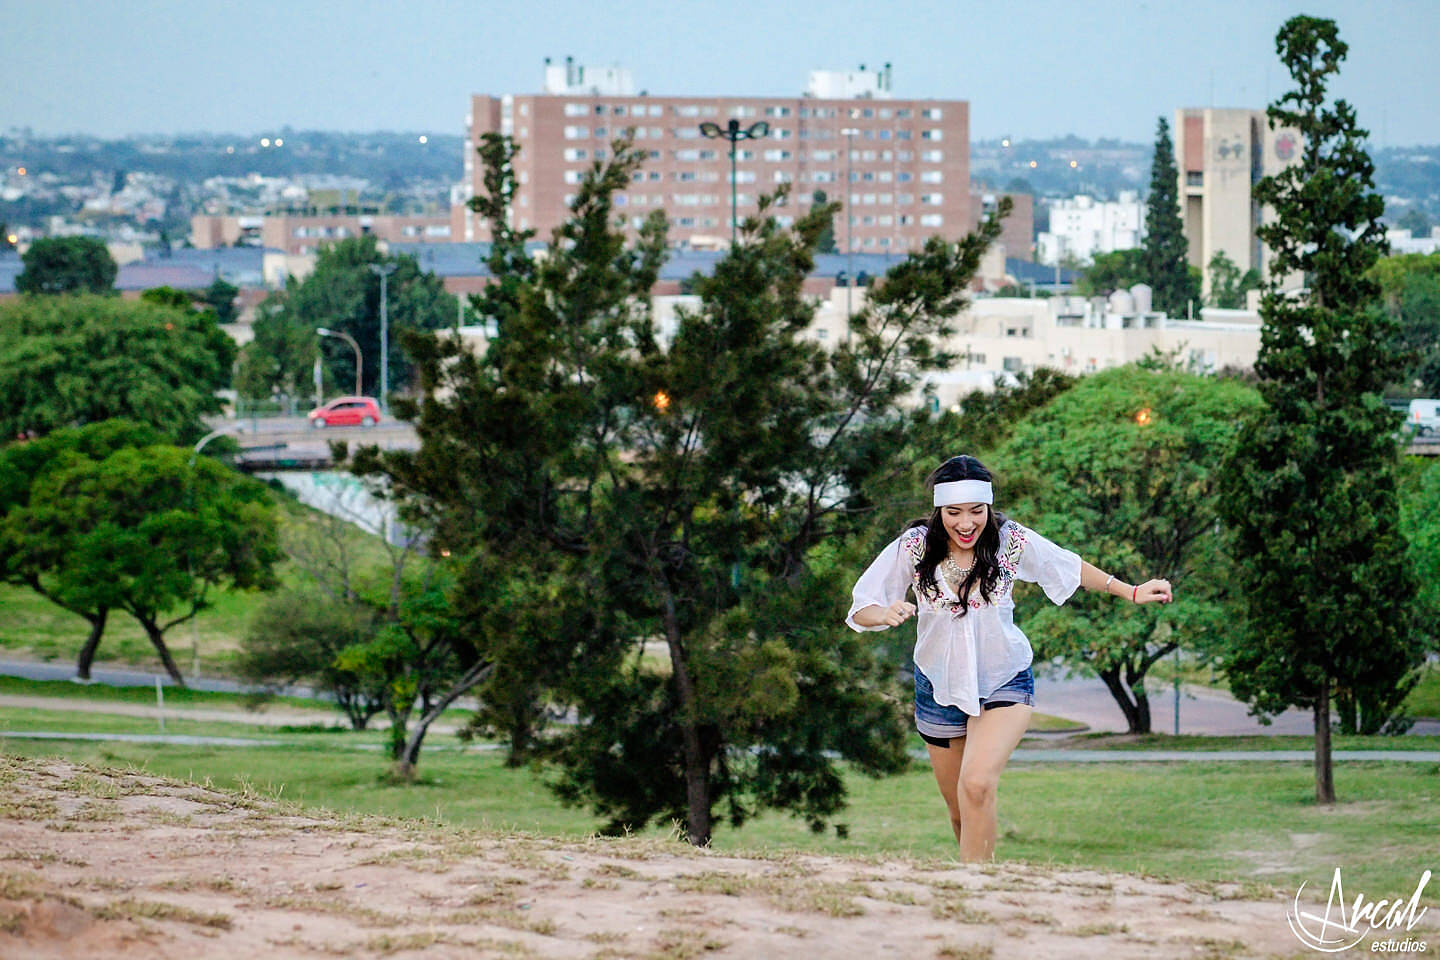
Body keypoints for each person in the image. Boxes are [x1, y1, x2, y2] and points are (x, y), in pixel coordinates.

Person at [845, 454, 1173, 862]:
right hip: (938, 687)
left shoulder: (1009, 540)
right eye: (954, 512)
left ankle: (978, 888)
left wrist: (1132, 591)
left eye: (976, 511)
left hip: (1005, 679)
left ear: (988, 507)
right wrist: (885, 613)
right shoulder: (914, 547)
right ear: (939, 511)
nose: (967, 523)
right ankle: (976, 878)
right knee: (960, 809)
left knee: (977, 786)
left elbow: (1067, 566)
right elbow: (862, 606)